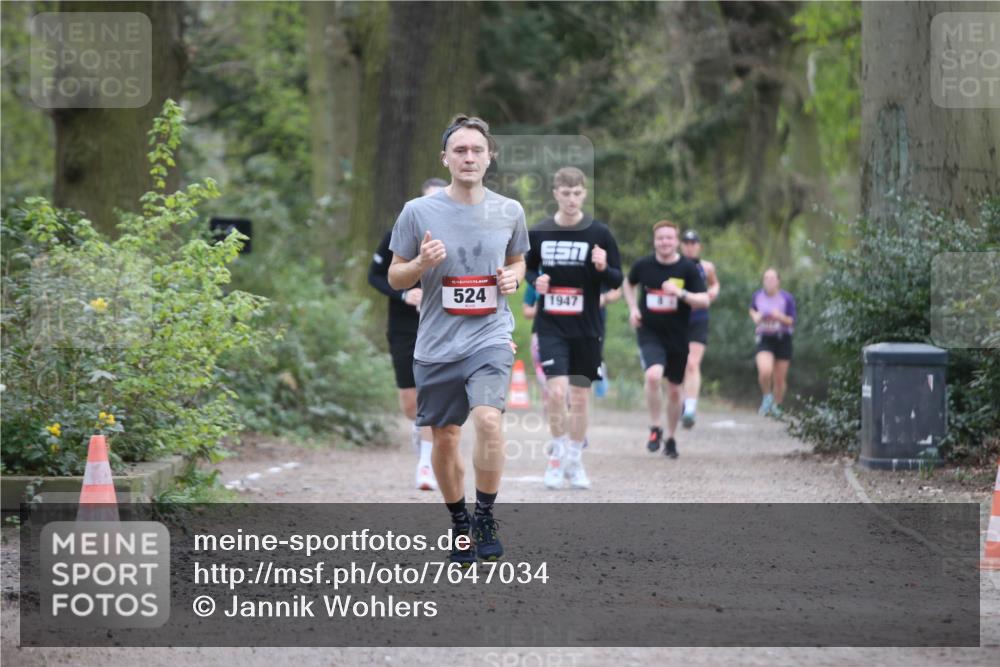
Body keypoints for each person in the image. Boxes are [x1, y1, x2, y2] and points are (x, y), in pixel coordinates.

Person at [388, 114, 528, 565]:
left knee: (489, 420)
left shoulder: (509, 210)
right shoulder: (418, 212)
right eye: (460, 150)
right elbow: (394, 275)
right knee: (445, 437)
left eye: (477, 150)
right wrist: (420, 265)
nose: (469, 157)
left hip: (489, 335)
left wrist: (512, 277)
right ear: (445, 158)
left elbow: (519, 262)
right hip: (436, 342)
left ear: (490, 157)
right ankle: (460, 523)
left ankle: (485, 516)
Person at [525, 166, 622, 490]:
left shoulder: (599, 233)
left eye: (577, 193)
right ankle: (556, 458)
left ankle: (575, 460)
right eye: (565, 193)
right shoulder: (539, 232)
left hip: (586, 328)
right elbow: (524, 268)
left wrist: (602, 267)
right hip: (551, 325)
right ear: (555, 193)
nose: (571, 199)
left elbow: (617, 279)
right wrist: (534, 280)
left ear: (584, 193)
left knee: (580, 397)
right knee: (556, 391)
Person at [369, 178, 447, 491]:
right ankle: (420, 432)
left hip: (441, 325)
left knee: (430, 394)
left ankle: (426, 464)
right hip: (404, 325)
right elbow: (374, 276)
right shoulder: (399, 233)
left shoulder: (457, 236)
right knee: (410, 404)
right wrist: (404, 295)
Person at [623, 220, 709, 458]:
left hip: (679, 336)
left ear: (676, 241)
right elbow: (628, 284)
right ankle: (655, 427)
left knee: (674, 390)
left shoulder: (687, 269)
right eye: (661, 238)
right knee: (652, 376)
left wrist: (680, 293)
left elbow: (704, 300)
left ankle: (670, 437)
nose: (665, 242)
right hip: (649, 332)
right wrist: (633, 308)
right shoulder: (643, 265)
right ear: (655, 240)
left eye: (669, 238)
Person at [679, 230, 720, 428]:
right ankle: (679, 401)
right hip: (676, 321)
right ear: (681, 245)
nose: (690, 246)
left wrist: (712, 292)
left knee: (692, 364)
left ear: (699, 246)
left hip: (699, 319)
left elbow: (714, 283)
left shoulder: (707, 267)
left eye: (693, 242)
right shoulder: (673, 265)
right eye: (686, 242)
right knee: (678, 365)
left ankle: (690, 409)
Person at [749, 268, 796, 417]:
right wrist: (756, 316)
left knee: (780, 379)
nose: (768, 281)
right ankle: (767, 397)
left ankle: (777, 406)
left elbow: (791, 321)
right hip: (765, 338)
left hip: (783, 338)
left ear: (778, 281)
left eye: (772, 278)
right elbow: (752, 310)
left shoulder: (786, 298)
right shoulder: (757, 296)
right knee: (765, 371)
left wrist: (780, 317)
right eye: (766, 278)